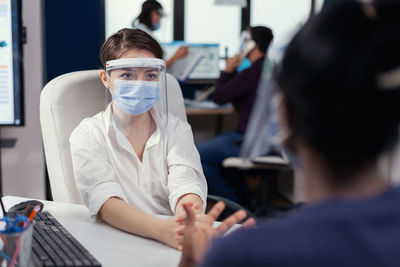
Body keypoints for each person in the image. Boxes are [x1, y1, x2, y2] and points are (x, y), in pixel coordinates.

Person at [178, 0, 400, 265]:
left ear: (283, 113)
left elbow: (221, 96)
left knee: (204, 155)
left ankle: (237, 202)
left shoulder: (242, 254)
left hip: (240, 141)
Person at [69, 28, 207, 249]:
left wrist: (187, 218)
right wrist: (163, 231)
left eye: (150, 75)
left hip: (172, 241)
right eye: (127, 75)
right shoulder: (87, 134)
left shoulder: (177, 130)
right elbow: (105, 201)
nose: (140, 83)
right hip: (114, 243)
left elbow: (186, 184)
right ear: (106, 78)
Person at [197, 26, 273, 202]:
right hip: (270, 140)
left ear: (251, 45)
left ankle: (232, 205)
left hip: (247, 140)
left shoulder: (253, 72)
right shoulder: (271, 69)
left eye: (244, 41)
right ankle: (246, 200)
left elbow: (218, 97)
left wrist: (227, 70)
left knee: (197, 156)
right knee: (222, 162)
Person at [131, 0, 188, 68]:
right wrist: (176, 56)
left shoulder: (144, 33)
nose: (159, 19)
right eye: (158, 15)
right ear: (151, 13)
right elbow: (153, 68)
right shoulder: (142, 35)